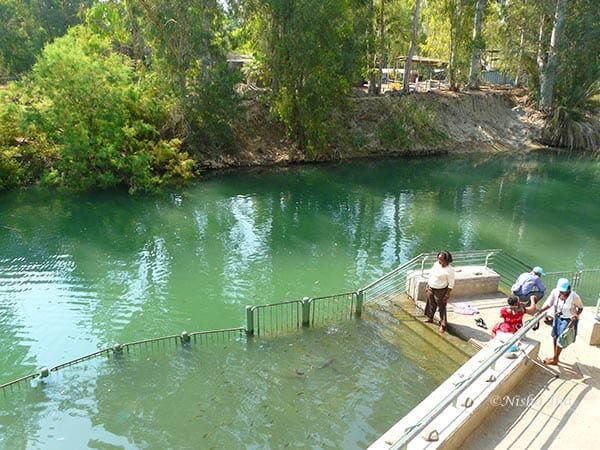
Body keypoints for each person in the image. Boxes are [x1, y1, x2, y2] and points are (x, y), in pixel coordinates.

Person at [535, 278, 584, 365]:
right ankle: (555, 356)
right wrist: (540, 311)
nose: (562, 293)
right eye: (560, 291)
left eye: (563, 291)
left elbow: (580, 308)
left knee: (560, 339)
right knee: (554, 336)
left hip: (568, 320)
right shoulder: (555, 292)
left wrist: (576, 315)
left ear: (568, 289)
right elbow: (549, 304)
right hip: (557, 317)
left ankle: (555, 359)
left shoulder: (574, 296)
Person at [423, 250, 455, 334]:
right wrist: (427, 285)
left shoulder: (449, 270)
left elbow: (451, 283)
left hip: (441, 290)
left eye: (441, 260)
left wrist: (447, 294)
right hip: (431, 287)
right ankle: (430, 318)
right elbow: (431, 275)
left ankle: (443, 325)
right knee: (431, 304)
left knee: (442, 307)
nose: (439, 261)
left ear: (446, 260)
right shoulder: (436, 264)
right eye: (438, 259)